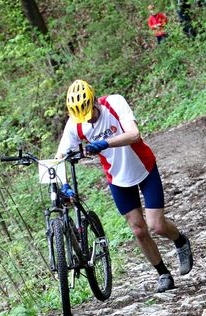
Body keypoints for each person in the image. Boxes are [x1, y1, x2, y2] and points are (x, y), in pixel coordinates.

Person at [55, 80, 194, 293]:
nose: (89, 119)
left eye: (90, 113)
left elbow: (134, 134)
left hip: (144, 168)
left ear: (94, 102)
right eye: (83, 117)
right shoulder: (75, 124)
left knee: (156, 225)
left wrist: (105, 143)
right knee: (139, 230)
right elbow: (60, 157)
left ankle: (180, 240)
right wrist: (63, 184)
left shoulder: (114, 102)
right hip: (117, 177)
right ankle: (163, 274)